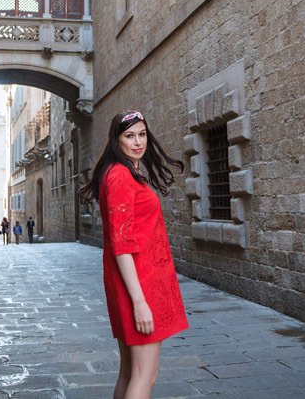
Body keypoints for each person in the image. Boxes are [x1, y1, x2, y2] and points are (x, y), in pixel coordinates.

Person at [78, 110, 187, 399]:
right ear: (117, 140)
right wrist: (140, 303)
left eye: (142, 134)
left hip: (140, 281)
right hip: (140, 284)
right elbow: (121, 244)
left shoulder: (125, 172)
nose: (138, 142)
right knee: (145, 375)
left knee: (130, 373)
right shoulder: (120, 176)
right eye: (129, 136)